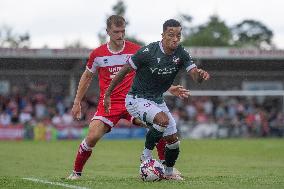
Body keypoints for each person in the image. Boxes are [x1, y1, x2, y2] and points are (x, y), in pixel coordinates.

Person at [67, 15, 190, 180]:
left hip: (135, 100)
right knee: (93, 136)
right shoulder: (97, 54)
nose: (120, 35)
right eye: (116, 32)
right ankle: (76, 173)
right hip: (109, 104)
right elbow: (87, 77)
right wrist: (77, 102)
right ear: (108, 32)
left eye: (123, 31)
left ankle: (166, 168)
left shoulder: (137, 50)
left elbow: (151, 75)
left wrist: (171, 87)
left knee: (158, 126)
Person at [104, 19, 210, 181]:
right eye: (171, 35)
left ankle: (168, 173)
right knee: (162, 120)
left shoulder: (181, 53)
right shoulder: (148, 52)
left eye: (178, 35)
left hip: (157, 100)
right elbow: (123, 71)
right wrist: (108, 94)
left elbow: (195, 75)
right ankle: (145, 155)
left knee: (173, 141)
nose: (175, 39)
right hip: (136, 99)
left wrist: (200, 75)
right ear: (163, 35)